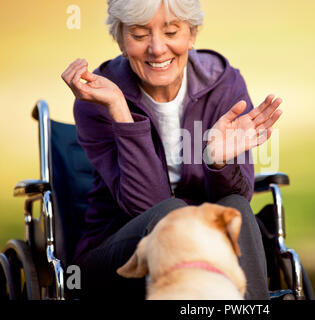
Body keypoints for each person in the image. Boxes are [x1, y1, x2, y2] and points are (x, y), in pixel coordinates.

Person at [61, 0, 282, 300]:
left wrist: (216, 161)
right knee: (171, 211)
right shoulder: (98, 98)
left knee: (237, 209)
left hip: (206, 250)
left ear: (191, 35)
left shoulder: (225, 85)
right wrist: (120, 111)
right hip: (121, 256)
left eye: (172, 32)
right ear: (121, 40)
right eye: (139, 35)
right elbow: (148, 207)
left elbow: (236, 197)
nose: (157, 48)